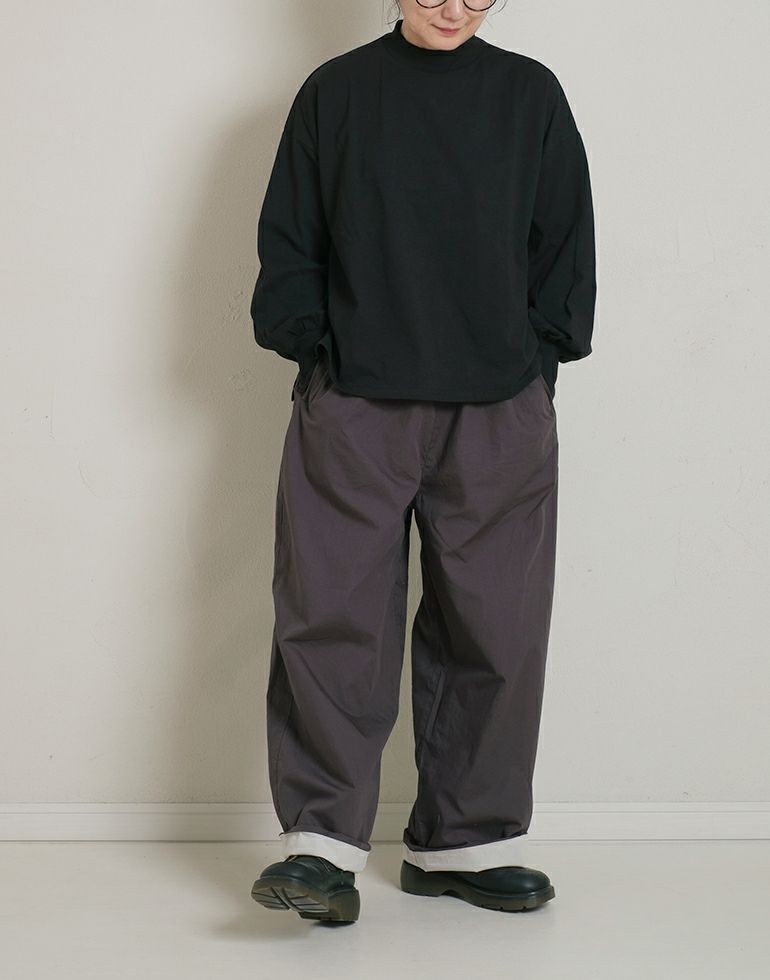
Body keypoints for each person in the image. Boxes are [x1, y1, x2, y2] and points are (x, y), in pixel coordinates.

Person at [249, 0, 596, 923]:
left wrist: (539, 368)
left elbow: (564, 242)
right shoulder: (337, 93)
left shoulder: (529, 95)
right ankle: (321, 849)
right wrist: (317, 355)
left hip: (498, 407)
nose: (453, 6)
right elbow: (290, 238)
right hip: (357, 402)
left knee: (498, 629)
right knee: (331, 619)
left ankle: (463, 844)